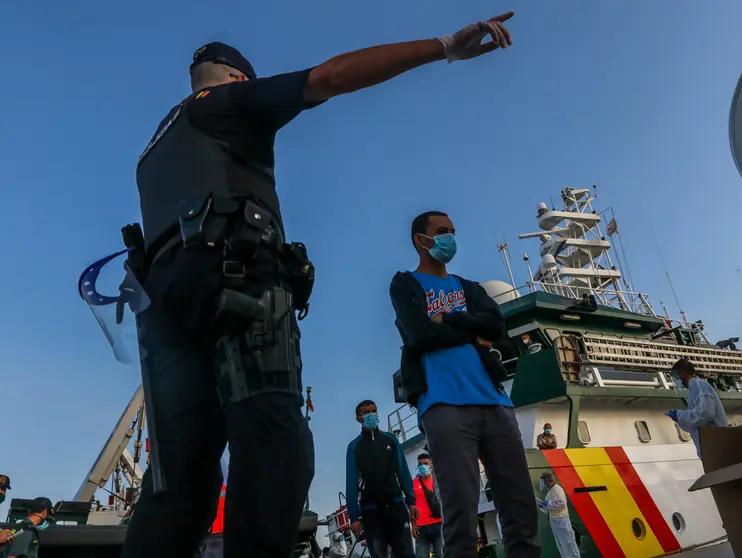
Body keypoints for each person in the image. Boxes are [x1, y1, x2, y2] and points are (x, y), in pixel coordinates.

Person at [122, 9, 516, 558]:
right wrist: (445, 46)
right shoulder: (226, 104)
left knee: (176, 486)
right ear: (239, 79)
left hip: (162, 316)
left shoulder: (152, 152)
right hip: (237, 294)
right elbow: (329, 76)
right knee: (276, 448)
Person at [389, 211, 540, 558]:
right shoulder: (405, 284)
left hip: (496, 404)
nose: (449, 238)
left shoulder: (469, 288)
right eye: (442, 231)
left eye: (453, 231)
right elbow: (419, 333)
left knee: (520, 508)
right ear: (420, 239)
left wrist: (451, 319)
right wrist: (472, 333)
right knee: (460, 513)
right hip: (443, 407)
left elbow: (495, 328)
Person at [346, 400, 416, 558]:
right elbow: (351, 483)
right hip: (371, 512)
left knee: (406, 554)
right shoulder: (354, 447)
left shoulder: (390, 440)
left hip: (396, 506)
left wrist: (411, 501)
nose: (372, 414)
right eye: (366, 412)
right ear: (359, 418)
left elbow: (402, 470)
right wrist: (354, 516)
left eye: (374, 411)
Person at [666, 358, 729, 460]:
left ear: (682, 374)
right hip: (711, 448)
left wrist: (679, 415)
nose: (676, 380)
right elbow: (695, 424)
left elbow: (706, 413)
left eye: (675, 376)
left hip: (717, 446)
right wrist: (679, 419)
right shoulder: (693, 389)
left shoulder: (698, 385)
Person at [536, 472, 579, 558]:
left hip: (561, 522)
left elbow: (561, 504)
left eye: (543, 480)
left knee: (569, 545)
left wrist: (548, 504)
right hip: (555, 523)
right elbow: (549, 508)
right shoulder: (550, 492)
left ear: (547, 480)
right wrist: (541, 504)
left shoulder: (557, 489)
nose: (542, 482)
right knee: (562, 546)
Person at [412, 454, 442, 558]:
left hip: (438, 524)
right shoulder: (413, 483)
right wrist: (413, 525)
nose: (423, 466)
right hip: (421, 528)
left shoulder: (438, 481)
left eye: (425, 463)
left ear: (431, 465)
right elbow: (411, 506)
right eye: (420, 464)